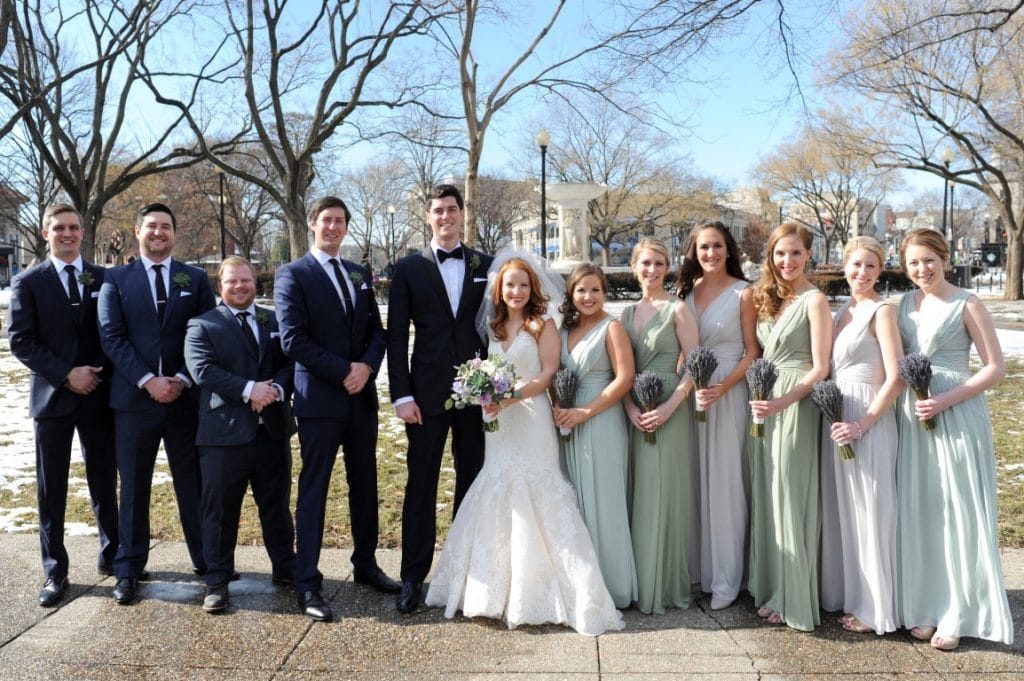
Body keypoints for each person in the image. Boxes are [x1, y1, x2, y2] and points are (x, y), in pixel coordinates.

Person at [425, 254, 624, 636]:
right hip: (500, 422)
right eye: (510, 285)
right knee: (497, 488)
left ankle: (549, 593)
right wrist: (486, 397)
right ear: (499, 290)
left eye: (523, 285)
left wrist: (511, 395)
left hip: (532, 420)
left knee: (538, 490)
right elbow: (489, 369)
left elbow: (548, 372)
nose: (516, 292)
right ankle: (492, 592)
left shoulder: (541, 324)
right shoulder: (495, 326)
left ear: (533, 289)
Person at [274, 196, 395, 623]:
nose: (333, 227)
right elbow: (293, 340)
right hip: (320, 401)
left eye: (340, 221)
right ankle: (307, 579)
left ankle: (365, 564)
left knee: (365, 485)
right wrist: (344, 370)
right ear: (312, 224)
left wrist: (366, 368)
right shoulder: (293, 275)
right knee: (314, 490)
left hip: (360, 399)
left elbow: (378, 333)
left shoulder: (359, 273)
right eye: (326, 220)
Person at [896, 228, 1013, 650]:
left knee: (958, 509)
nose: (922, 269)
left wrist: (946, 399)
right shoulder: (904, 305)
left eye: (929, 259)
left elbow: (994, 367)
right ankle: (926, 606)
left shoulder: (968, 302)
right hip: (915, 416)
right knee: (923, 508)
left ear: (944, 258)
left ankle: (958, 613)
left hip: (958, 412)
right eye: (913, 262)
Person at [98, 202, 215, 605]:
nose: (159, 233)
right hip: (134, 401)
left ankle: (206, 560)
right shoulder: (116, 279)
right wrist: (149, 381)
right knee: (132, 487)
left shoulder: (195, 278)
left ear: (174, 233)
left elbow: (206, 334)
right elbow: (112, 337)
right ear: (137, 230)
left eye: (166, 227)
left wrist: (181, 379)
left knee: (193, 484)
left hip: (184, 401)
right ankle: (128, 568)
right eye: (152, 226)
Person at [387, 184, 493, 614]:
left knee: (471, 482)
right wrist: (401, 395)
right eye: (438, 211)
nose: (445, 217)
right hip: (425, 395)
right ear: (428, 217)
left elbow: (497, 325)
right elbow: (395, 336)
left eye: (452, 210)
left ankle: (465, 572)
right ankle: (412, 576)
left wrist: (496, 385)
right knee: (421, 484)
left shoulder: (485, 264)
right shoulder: (408, 267)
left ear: (463, 214)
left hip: (477, 391)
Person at [8, 204, 118, 607]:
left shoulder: (103, 278)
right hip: (53, 397)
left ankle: (114, 554)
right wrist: (67, 373)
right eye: (59, 228)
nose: (67, 234)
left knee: (104, 478)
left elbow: (113, 333)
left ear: (83, 232)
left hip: (97, 395)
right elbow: (21, 340)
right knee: (50, 487)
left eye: (73, 227)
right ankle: (55, 570)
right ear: (45, 233)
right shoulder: (28, 281)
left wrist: (94, 373)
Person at [184, 257, 297, 613]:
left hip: (272, 431)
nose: (240, 286)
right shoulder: (202, 325)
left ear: (255, 283)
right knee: (219, 510)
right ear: (220, 285)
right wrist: (250, 389)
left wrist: (276, 389)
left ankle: (285, 567)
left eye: (246, 280)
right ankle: (217, 579)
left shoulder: (274, 320)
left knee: (276, 505)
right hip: (223, 436)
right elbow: (203, 371)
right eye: (232, 281)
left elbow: (292, 362)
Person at [747, 222, 831, 631]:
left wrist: (782, 399)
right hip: (765, 400)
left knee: (791, 495)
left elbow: (821, 367)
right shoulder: (771, 298)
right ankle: (772, 586)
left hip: (795, 402)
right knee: (769, 492)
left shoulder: (814, 301)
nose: (787, 261)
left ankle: (794, 595)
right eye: (780, 254)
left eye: (795, 253)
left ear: (808, 255)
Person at [818, 237, 901, 636]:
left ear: (880, 270)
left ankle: (875, 607)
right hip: (837, 417)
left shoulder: (881, 312)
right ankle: (851, 595)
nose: (862, 273)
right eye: (856, 266)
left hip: (869, 415)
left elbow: (897, 376)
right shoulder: (840, 313)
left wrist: (863, 423)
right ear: (844, 266)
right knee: (846, 512)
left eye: (870, 266)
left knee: (872, 510)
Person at [677, 220, 758, 611]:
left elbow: (753, 351)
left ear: (729, 250)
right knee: (696, 478)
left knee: (726, 481)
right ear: (694, 251)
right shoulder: (685, 293)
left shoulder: (744, 293)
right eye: (703, 247)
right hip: (693, 390)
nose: (710, 254)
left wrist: (723, 387)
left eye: (717, 246)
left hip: (727, 388)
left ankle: (728, 578)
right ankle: (701, 571)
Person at [621, 237, 698, 615]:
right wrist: (629, 406)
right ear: (635, 266)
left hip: (670, 405)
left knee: (664, 491)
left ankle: (663, 586)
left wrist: (669, 407)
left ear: (668, 268)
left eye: (659, 264)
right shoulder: (624, 314)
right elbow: (620, 371)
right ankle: (638, 582)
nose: (651, 270)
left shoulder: (678, 310)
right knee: (639, 491)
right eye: (645, 263)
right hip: (634, 409)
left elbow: (696, 368)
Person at [554, 263, 637, 609]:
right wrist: (559, 409)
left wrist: (586, 412)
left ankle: (614, 587)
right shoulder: (563, 330)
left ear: (605, 293)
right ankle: (581, 585)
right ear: (571, 295)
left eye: (595, 290)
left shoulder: (612, 327)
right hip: (567, 421)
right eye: (581, 290)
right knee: (576, 504)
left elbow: (625, 378)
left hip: (601, 421)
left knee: (604, 503)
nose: (588, 297)